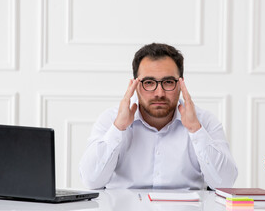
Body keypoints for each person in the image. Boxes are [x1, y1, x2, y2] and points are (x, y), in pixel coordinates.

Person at [79, 43, 238, 189]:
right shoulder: (110, 120)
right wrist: (118, 128)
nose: (159, 93)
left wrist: (196, 130)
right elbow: (91, 181)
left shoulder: (204, 121)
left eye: (168, 82)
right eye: (149, 82)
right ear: (135, 85)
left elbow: (224, 184)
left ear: (181, 84)